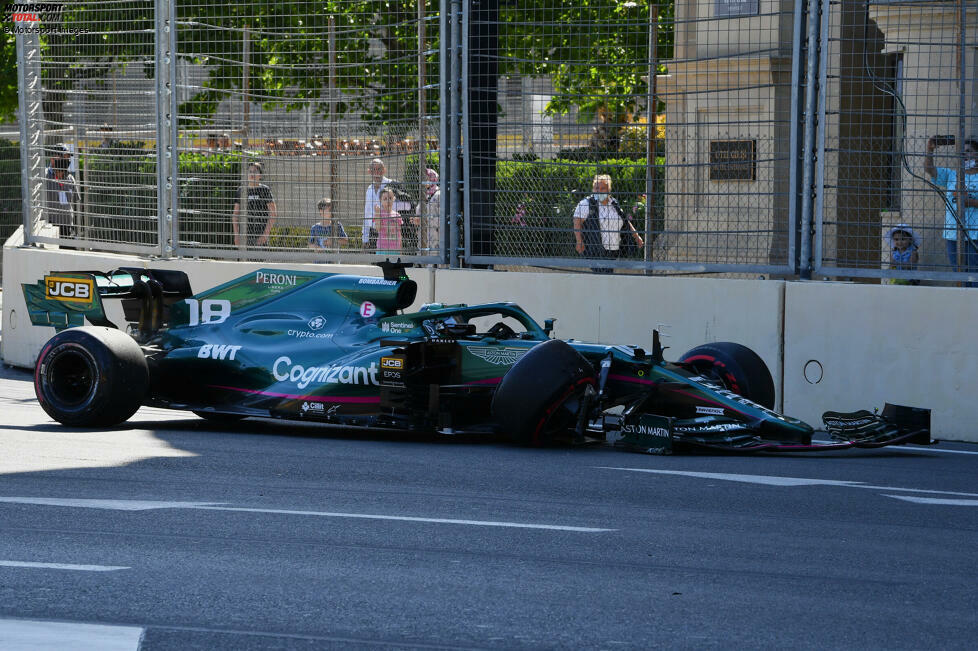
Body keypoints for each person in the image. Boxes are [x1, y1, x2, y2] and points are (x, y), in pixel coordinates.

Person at [924, 136, 978, 286]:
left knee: (974, 275)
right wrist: (930, 150)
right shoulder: (952, 174)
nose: (965, 155)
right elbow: (930, 170)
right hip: (952, 233)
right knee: (959, 275)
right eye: (962, 152)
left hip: (974, 234)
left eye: (969, 151)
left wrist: (971, 202)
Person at [573, 174, 644, 273]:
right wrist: (579, 241)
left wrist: (636, 237)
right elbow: (577, 222)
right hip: (595, 250)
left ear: (608, 190)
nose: (599, 191)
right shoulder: (586, 204)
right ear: (593, 189)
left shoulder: (614, 204)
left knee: (608, 278)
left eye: (602, 188)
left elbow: (625, 221)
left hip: (614, 250)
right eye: (596, 188)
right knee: (602, 277)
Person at [232, 162, 277, 247]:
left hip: (260, 235)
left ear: (260, 176)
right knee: (243, 259)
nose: (252, 174)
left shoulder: (264, 190)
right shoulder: (241, 190)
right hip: (244, 235)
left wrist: (265, 234)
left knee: (258, 259)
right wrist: (236, 235)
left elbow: (273, 213)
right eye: (250, 171)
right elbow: (235, 214)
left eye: (255, 171)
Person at [43, 145, 79, 237]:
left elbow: (75, 202)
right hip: (50, 228)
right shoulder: (44, 177)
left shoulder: (70, 179)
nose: (66, 160)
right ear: (52, 159)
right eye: (63, 156)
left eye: (67, 157)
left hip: (68, 228)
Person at [362, 158, 393, 250]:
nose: (376, 172)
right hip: (373, 232)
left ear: (384, 170)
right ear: (369, 171)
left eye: (379, 169)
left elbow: (404, 205)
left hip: (388, 229)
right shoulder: (369, 189)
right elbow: (367, 214)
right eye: (373, 169)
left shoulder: (391, 185)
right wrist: (365, 238)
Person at [415, 167, 441, 254]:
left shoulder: (439, 194)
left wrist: (426, 220)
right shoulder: (424, 195)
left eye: (426, 177)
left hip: (436, 236)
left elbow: (443, 217)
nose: (423, 180)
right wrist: (416, 220)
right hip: (423, 236)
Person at [374, 187, 402, 254]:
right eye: (385, 199)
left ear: (394, 199)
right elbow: (378, 228)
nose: (388, 201)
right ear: (381, 200)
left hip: (395, 248)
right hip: (382, 248)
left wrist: (401, 249)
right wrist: (377, 214)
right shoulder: (379, 214)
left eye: (390, 198)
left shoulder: (397, 215)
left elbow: (399, 233)